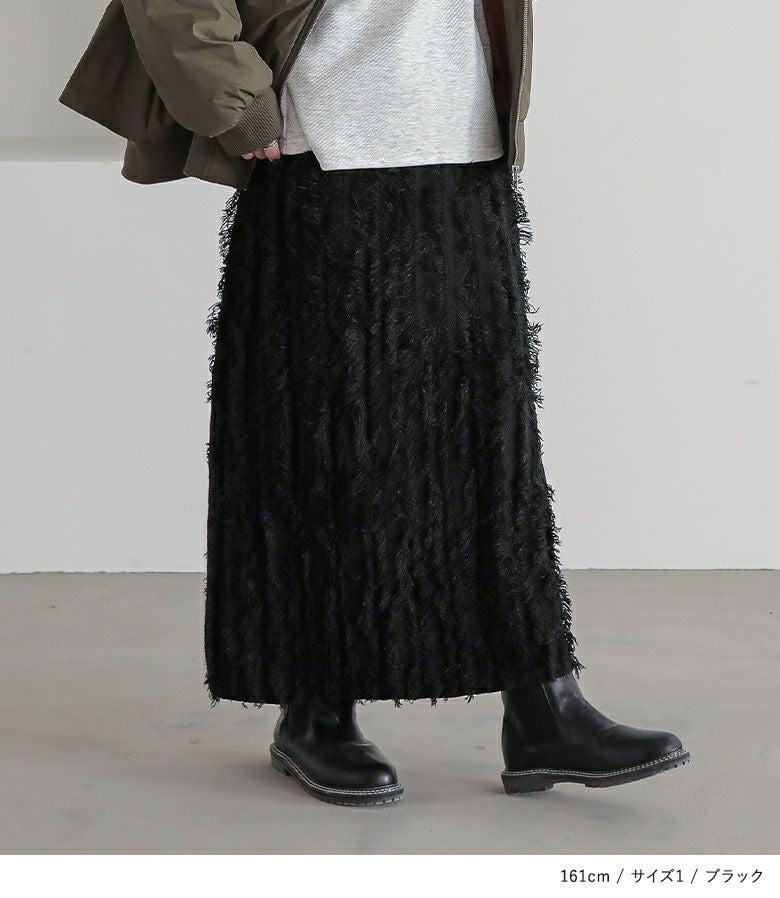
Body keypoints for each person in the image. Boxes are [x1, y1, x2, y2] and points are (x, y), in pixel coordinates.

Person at [61, 0, 689, 806]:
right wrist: (234, 100)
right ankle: (314, 709)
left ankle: (543, 706)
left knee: (490, 445)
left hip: (465, 137)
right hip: (325, 140)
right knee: (323, 441)